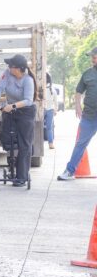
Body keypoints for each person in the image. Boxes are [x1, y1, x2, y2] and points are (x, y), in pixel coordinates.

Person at [0, 54, 36, 187]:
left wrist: (11, 106)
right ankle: (12, 166)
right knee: (7, 139)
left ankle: (21, 176)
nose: (8, 67)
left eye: (11, 65)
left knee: (25, 144)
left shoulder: (28, 80)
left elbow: (28, 100)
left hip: (25, 112)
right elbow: (0, 88)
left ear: (18, 68)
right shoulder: (8, 74)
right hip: (10, 110)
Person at [58, 47, 97, 180]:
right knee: (80, 144)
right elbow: (78, 90)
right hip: (89, 116)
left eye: (95, 56)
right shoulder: (87, 74)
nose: (93, 58)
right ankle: (69, 171)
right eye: (92, 56)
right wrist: (77, 106)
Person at [43, 72, 56, 149]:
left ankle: (37, 144)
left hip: (43, 109)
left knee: (38, 126)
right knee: (49, 128)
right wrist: (55, 110)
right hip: (50, 110)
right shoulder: (52, 89)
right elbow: (55, 101)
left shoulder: (42, 89)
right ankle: (50, 144)